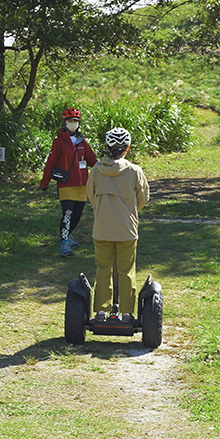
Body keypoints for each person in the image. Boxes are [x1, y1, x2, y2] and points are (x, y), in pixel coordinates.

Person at [86, 127, 150, 323]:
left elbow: (90, 195)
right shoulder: (134, 171)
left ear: (107, 147)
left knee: (103, 269)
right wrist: (129, 210)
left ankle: (101, 311)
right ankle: (127, 313)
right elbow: (143, 198)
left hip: (102, 228)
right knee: (126, 271)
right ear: (127, 148)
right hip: (126, 230)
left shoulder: (96, 170)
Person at [40, 108, 98, 257]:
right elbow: (51, 162)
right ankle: (64, 242)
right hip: (66, 184)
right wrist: (44, 182)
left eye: (75, 121)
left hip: (82, 185)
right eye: (70, 121)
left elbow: (92, 160)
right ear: (65, 123)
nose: (73, 124)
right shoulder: (58, 142)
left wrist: (107, 168)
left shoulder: (82, 142)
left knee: (77, 214)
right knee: (67, 213)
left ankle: (68, 236)